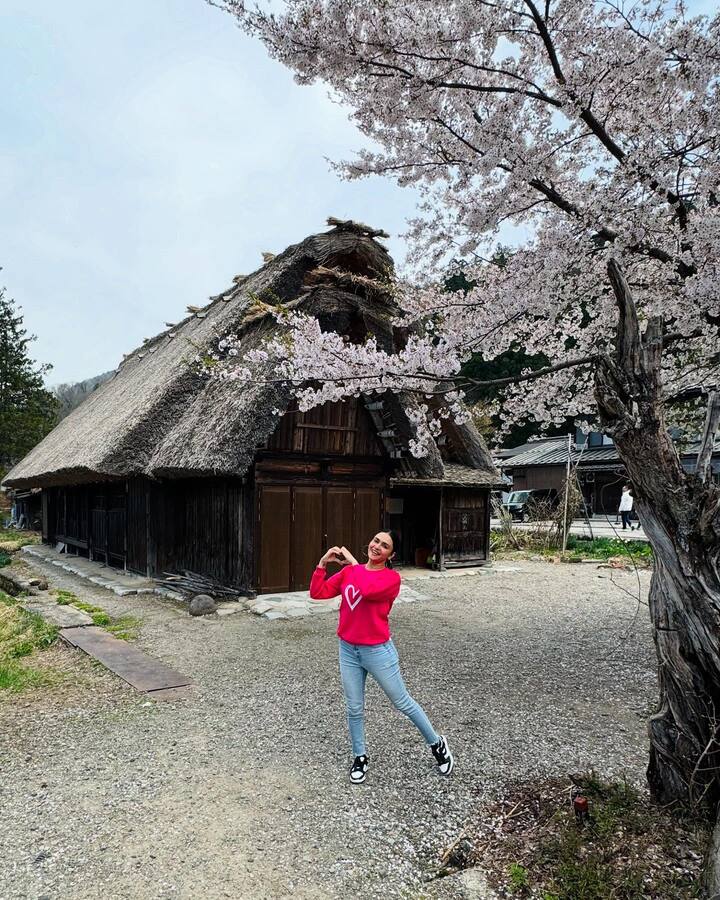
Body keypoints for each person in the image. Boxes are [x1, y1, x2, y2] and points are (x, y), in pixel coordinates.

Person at [309, 531, 454, 784]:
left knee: (402, 702)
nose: (377, 547)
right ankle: (360, 756)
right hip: (348, 649)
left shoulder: (391, 579)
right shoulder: (348, 573)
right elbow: (317, 592)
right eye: (376, 541)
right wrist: (322, 564)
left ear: (391, 555)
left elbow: (365, 588)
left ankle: (437, 743)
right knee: (354, 707)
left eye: (384, 546)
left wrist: (353, 564)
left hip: (377, 651)